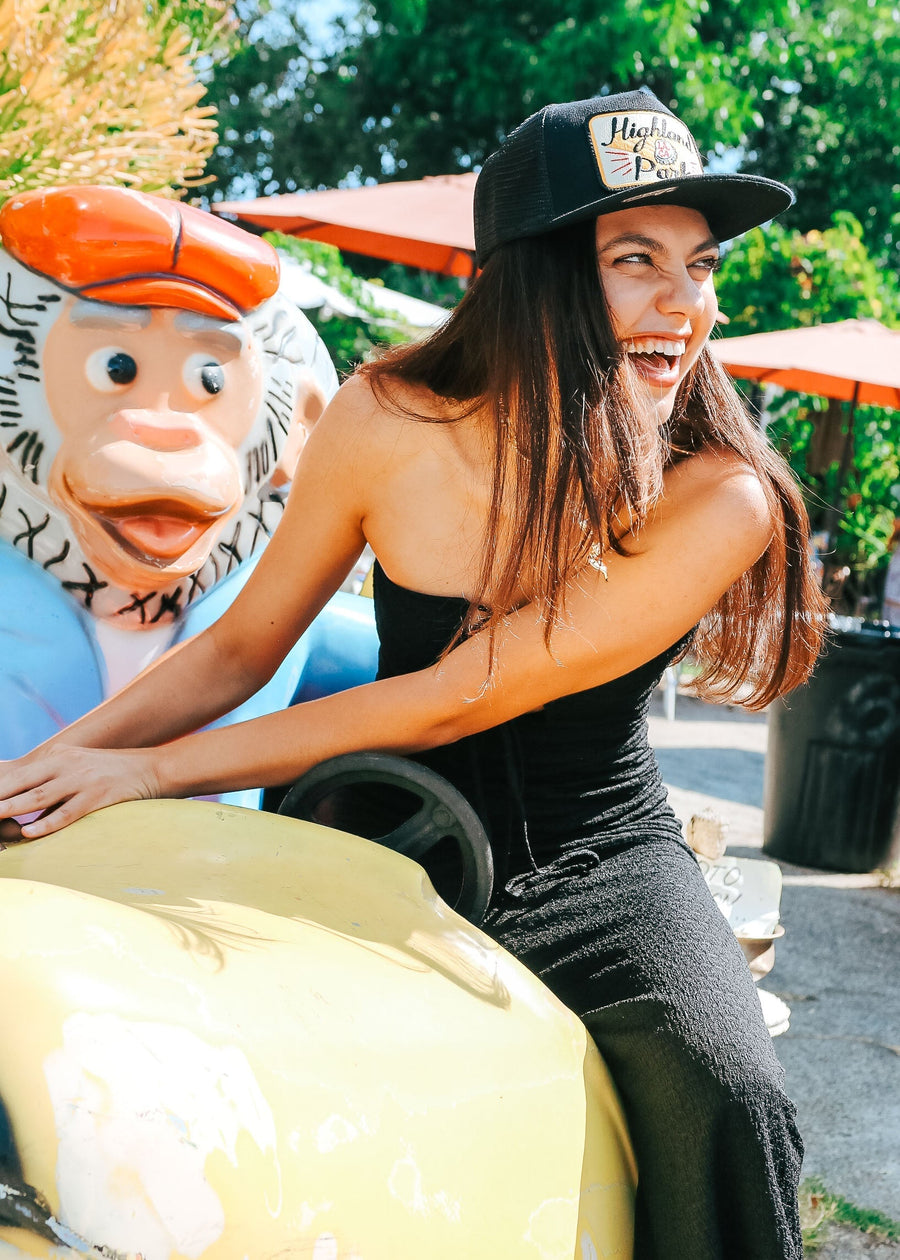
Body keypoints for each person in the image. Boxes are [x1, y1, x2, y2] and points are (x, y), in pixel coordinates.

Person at [0, 89, 826, 1258]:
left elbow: (461, 691)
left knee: (732, 1093)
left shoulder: (720, 491)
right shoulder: (384, 417)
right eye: (636, 259)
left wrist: (151, 771)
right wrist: (48, 770)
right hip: (381, 825)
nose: (684, 301)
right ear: (524, 274)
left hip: (594, 864)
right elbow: (241, 648)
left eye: (697, 265)